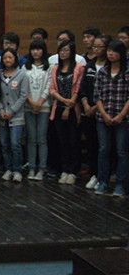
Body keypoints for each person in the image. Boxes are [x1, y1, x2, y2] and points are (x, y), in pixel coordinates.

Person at [93, 40, 129, 196]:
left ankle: (120, 184)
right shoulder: (102, 72)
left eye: (114, 51)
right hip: (103, 117)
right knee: (103, 150)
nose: (110, 53)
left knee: (122, 151)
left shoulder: (127, 72)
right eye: (108, 50)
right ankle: (102, 181)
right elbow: (97, 96)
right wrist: (104, 114)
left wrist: (121, 115)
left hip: (123, 118)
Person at [79, 34, 111, 190]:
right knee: (91, 143)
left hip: (105, 111)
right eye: (94, 47)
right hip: (88, 111)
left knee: (104, 146)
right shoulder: (90, 66)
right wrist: (86, 104)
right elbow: (83, 87)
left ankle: (105, 175)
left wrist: (96, 107)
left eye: (99, 46)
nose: (96, 49)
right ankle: (94, 173)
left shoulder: (110, 67)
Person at [50, 39, 84, 185]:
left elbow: (78, 88)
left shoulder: (79, 68)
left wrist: (69, 105)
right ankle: (64, 169)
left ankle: (73, 171)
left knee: (73, 141)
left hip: (73, 108)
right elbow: (52, 89)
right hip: (58, 107)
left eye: (66, 50)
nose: (63, 53)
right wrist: (63, 101)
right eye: (61, 50)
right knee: (62, 141)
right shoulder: (55, 68)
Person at [0, 48, 29, 182]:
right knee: (4, 144)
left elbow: (23, 96)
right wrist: (1, 111)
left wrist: (11, 112)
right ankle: (8, 169)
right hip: (2, 116)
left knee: (15, 144)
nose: (7, 60)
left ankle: (17, 170)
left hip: (16, 116)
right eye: (5, 58)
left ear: (15, 59)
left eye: (10, 57)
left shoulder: (22, 75)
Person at [23, 40, 52, 181]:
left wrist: (40, 102)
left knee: (41, 138)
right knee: (31, 138)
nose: (35, 52)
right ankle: (31, 167)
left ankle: (42, 168)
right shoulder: (25, 67)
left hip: (44, 107)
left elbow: (49, 86)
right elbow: (23, 87)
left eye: (38, 49)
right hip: (28, 107)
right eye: (33, 49)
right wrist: (31, 102)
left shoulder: (49, 67)